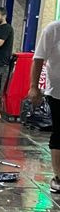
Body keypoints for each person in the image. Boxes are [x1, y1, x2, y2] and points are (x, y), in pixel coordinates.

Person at [29, 19, 60, 193]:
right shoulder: (53, 30)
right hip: (57, 92)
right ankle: (58, 177)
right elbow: (38, 59)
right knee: (59, 132)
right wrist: (34, 87)